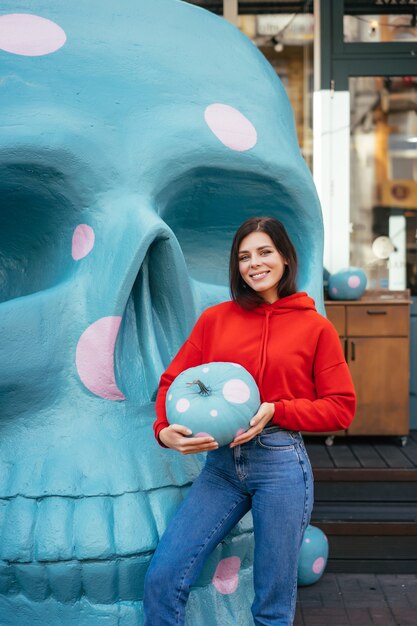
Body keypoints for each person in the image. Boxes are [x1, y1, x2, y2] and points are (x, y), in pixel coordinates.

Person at [143, 216, 356, 626]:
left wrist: (280, 409)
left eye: (264, 252)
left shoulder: (316, 328)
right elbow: (172, 381)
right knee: (164, 578)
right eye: (244, 256)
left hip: (281, 463)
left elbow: (341, 407)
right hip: (221, 467)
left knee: (272, 606)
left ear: (285, 258)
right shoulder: (216, 319)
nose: (254, 263)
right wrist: (163, 432)